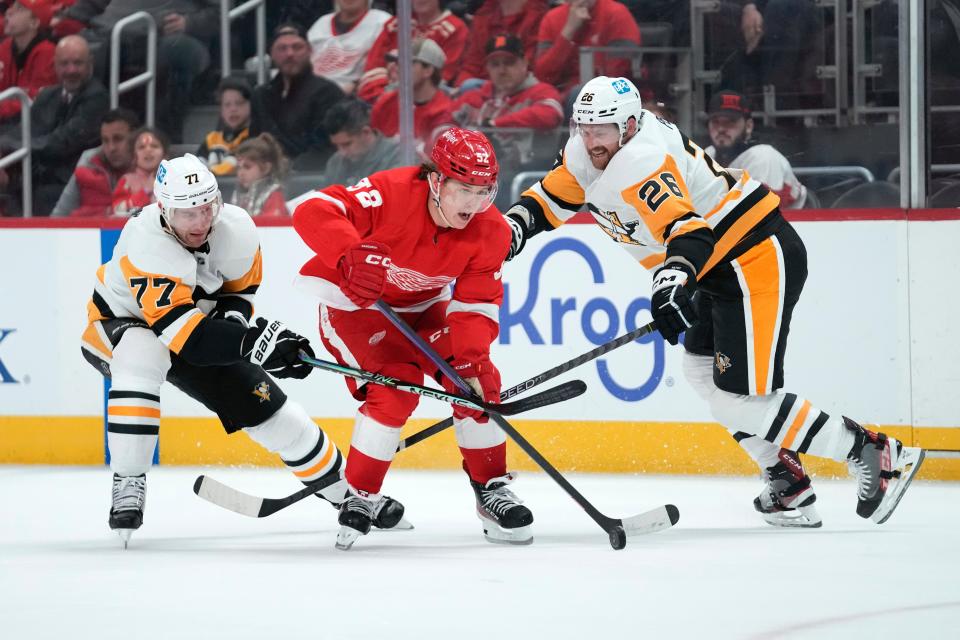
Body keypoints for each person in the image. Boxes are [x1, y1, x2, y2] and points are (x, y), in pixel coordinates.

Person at [504, 76, 925, 528]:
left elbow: (688, 230)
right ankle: (787, 481)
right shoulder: (590, 149)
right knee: (703, 373)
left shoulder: (642, 161)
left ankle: (871, 449)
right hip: (718, 268)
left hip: (753, 257)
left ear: (628, 125)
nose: (589, 140)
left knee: (738, 399)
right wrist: (507, 231)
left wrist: (670, 283)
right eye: (582, 127)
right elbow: (549, 198)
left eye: (600, 130)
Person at [80, 153, 406, 546]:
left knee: (275, 413)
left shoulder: (235, 228)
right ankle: (129, 478)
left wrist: (249, 341)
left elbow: (239, 294)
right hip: (120, 325)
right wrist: (252, 344)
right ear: (163, 209)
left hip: (194, 327)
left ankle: (347, 493)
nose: (201, 221)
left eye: (207, 207)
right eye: (188, 213)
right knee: (142, 354)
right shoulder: (146, 243)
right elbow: (189, 340)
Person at [291, 128, 533, 550]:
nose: (476, 205)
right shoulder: (390, 194)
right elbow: (312, 209)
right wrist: (350, 253)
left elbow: (476, 304)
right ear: (437, 180)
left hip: (424, 307)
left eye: (485, 191)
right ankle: (361, 494)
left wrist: (473, 363)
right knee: (396, 388)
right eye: (465, 190)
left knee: (477, 382)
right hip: (358, 308)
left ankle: (491, 488)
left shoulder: (491, 230)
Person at [0, 34, 108, 215]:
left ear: (90, 63)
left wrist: (10, 147)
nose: (71, 70)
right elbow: (24, 130)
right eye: (65, 64)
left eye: (77, 63)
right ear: (55, 65)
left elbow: (60, 142)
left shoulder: (98, 98)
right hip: (37, 178)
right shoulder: (48, 95)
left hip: (67, 181)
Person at [452, 34, 563, 167]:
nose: (502, 70)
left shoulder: (541, 92)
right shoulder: (474, 97)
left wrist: (495, 125)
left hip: (523, 175)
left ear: (524, 63)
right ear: (487, 68)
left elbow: (550, 115)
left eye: (509, 63)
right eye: (495, 64)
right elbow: (443, 124)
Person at [250, 23, 345, 163]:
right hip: (268, 174)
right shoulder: (261, 95)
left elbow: (326, 148)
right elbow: (254, 142)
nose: (290, 54)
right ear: (272, 54)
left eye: (297, 47)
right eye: (282, 48)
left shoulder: (328, 92)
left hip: (312, 176)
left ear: (309, 51)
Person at [704, 90, 807, 209]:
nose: (721, 128)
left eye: (730, 122)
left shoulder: (763, 157)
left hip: (802, 224)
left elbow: (760, 213)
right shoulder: (708, 154)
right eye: (715, 122)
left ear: (748, 126)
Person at [357, 0, 468, 102]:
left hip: (422, 102)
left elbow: (440, 79)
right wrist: (383, 95)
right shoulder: (395, 24)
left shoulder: (455, 29)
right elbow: (371, 70)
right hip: (381, 98)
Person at [534, 0, 640, 98]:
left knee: (578, 94)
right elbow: (543, 76)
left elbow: (620, 71)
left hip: (614, 94)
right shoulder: (552, 18)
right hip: (562, 96)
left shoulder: (616, 13)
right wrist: (568, 32)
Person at [369, 38, 454, 153]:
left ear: (428, 70)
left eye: (407, 63)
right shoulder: (386, 102)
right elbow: (370, 150)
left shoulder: (445, 113)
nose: (398, 69)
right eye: (397, 63)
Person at [51, 107, 139, 217]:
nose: (111, 148)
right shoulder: (89, 162)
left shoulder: (153, 166)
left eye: (118, 139)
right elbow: (58, 217)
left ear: (135, 138)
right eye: (105, 140)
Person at [454, 0, 549, 87]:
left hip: (518, 90)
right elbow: (471, 64)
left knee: (469, 85)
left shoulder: (541, 17)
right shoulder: (483, 15)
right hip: (480, 92)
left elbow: (527, 69)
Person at [306, 0, 390, 95]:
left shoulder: (382, 22)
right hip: (313, 94)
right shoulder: (321, 23)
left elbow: (384, 69)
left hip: (356, 98)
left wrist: (355, 86)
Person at [0, 0, 57, 124]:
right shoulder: (6, 46)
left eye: (19, 9)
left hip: (30, 127)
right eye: (11, 7)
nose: (9, 11)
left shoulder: (47, 53)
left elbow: (34, 101)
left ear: (34, 22)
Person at [323, 97, 400, 188]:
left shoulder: (398, 156)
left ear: (366, 132)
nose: (342, 153)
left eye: (347, 144)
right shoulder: (335, 163)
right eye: (337, 146)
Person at [197, 76, 252, 177]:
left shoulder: (253, 137)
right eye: (227, 105)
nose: (233, 109)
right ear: (221, 110)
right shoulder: (212, 139)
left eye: (239, 103)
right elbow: (196, 165)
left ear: (251, 105)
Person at [112, 127, 169, 217]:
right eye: (141, 147)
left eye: (154, 146)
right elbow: (117, 210)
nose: (148, 150)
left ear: (164, 154)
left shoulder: (173, 179)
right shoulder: (127, 181)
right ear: (133, 156)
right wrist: (145, 191)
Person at [231, 133, 289, 217]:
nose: (241, 173)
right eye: (239, 167)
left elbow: (271, 225)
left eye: (247, 167)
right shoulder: (238, 194)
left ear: (266, 168)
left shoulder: (274, 194)